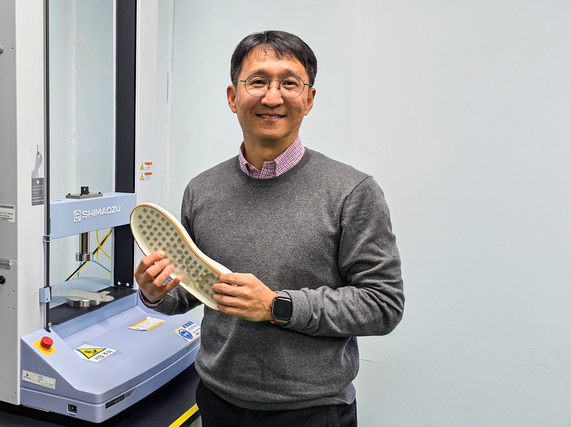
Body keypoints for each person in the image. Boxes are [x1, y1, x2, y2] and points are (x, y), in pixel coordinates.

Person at [134, 30, 404, 427]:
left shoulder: (352, 192)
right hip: (217, 401)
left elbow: (383, 305)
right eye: (258, 81)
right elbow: (195, 290)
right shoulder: (202, 190)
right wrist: (155, 292)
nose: (272, 97)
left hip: (311, 412)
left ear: (309, 99)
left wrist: (276, 305)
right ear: (233, 97)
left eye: (289, 83)